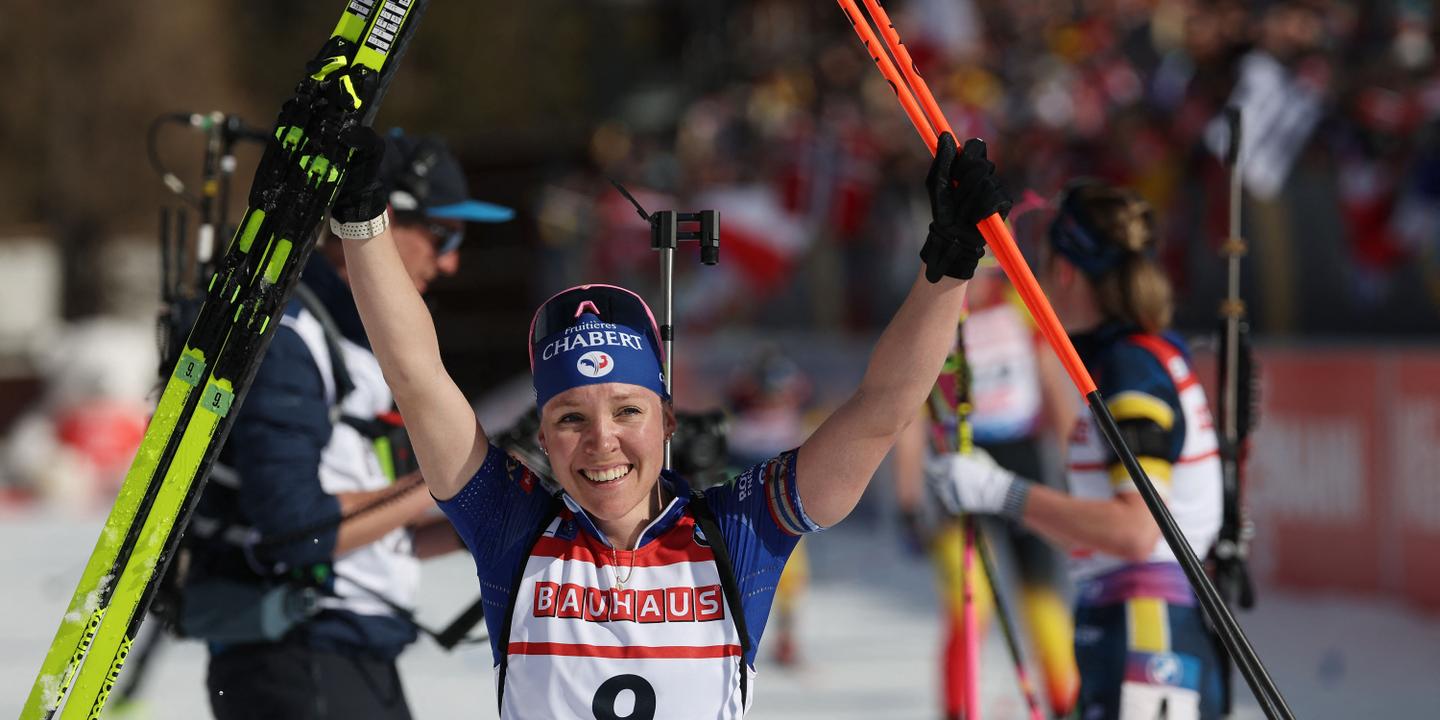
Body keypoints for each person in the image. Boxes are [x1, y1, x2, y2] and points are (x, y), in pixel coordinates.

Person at [332, 129, 1008, 718]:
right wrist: (362, 225)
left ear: (666, 421)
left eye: (628, 411)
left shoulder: (738, 532)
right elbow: (417, 375)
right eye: (571, 418)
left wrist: (947, 269)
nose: (602, 441)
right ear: (541, 437)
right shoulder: (512, 524)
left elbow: (881, 411)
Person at [180, 128, 515, 719]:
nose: (451, 260)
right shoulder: (288, 339)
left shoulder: (357, 347)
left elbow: (382, 533)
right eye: (441, 233)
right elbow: (295, 533)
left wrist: (499, 506)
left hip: (349, 657)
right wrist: (454, 479)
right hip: (298, 659)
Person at [927, 180, 1224, 720]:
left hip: (1145, 629)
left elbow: (1135, 530)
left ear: (1064, 271)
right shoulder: (1130, 354)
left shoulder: (1133, 368)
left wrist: (1001, 491)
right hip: (1131, 619)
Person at [892, 261, 1079, 719]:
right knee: (968, 602)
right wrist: (909, 498)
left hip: (1021, 458)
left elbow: (1050, 384)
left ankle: (1067, 705)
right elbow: (910, 413)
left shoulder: (1019, 307)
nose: (978, 283)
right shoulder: (933, 316)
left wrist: (1076, 462)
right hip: (957, 464)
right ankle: (958, 709)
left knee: (1041, 596)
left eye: (988, 272)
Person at [723, 346, 815, 668]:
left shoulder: (794, 421)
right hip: (748, 517)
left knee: (792, 578)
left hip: (785, 515)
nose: (775, 402)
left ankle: (786, 640)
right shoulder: (739, 428)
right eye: (769, 395)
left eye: (780, 395)